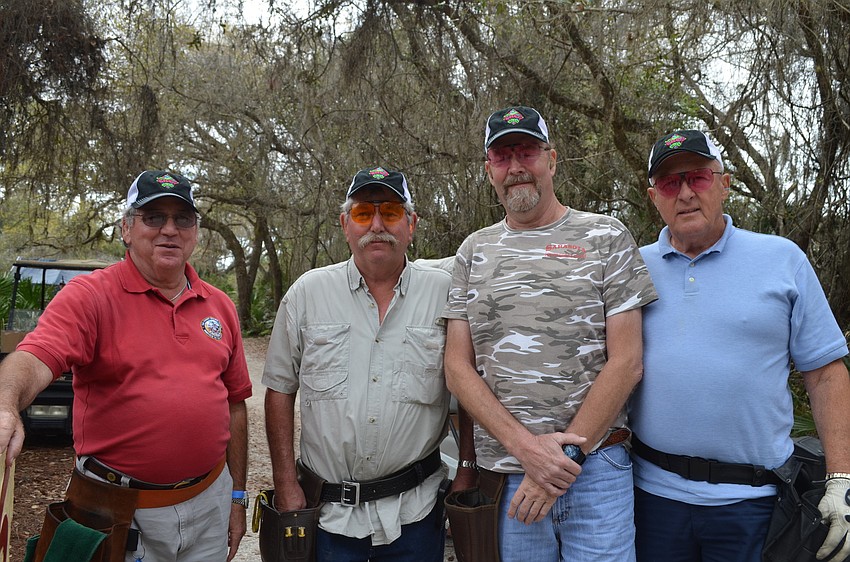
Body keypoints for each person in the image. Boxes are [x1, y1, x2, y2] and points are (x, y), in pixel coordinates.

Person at [0, 170, 252, 561]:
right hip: (117, 514)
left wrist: (237, 497)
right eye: (154, 217)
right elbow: (35, 355)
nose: (170, 229)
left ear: (196, 233)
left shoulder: (219, 305)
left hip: (210, 506)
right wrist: (6, 404)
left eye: (182, 218)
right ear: (126, 229)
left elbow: (235, 403)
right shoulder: (89, 296)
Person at [443, 105, 658, 562]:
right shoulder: (473, 251)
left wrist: (562, 463)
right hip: (508, 478)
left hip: (597, 470)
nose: (515, 167)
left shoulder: (606, 236)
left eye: (527, 152)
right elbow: (457, 368)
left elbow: (627, 361)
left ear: (552, 160)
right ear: (489, 169)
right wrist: (529, 452)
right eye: (502, 156)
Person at [630, 130, 850, 562]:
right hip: (652, 498)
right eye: (670, 183)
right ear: (654, 196)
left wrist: (842, 479)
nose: (686, 193)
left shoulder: (782, 259)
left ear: (724, 184)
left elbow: (825, 374)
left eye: (698, 177)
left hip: (755, 504)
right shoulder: (631, 269)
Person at [263, 166, 454, 562]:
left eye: (391, 212)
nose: (377, 225)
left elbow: (466, 387)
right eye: (364, 213)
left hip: (416, 514)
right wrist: (285, 482)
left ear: (411, 224)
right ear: (345, 224)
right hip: (328, 517)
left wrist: (466, 465)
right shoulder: (307, 294)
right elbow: (279, 390)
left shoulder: (445, 295)